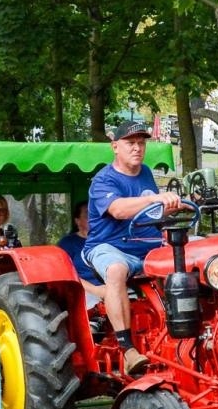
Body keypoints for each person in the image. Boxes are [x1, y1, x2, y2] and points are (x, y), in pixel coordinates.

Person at [84, 121, 182, 375]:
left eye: (141, 143)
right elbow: (118, 210)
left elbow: (153, 212)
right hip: (111, 247)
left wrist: (175, 206)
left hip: (149, 249)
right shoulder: (103, 179)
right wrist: (155, 198)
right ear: (115, 146)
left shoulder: (145, 172)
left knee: (198, 256)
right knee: (116, 269)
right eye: (130, 143)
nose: (137, 148)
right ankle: (127, 350)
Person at [57, 200, 105, 300]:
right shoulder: (67, 243)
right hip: (83, 291)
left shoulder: (109, 240)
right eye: (88, 215)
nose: (93, 218)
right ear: (77, 221)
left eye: (96, 214)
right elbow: (64, 275)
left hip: (114, 287)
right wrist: (95, 290)